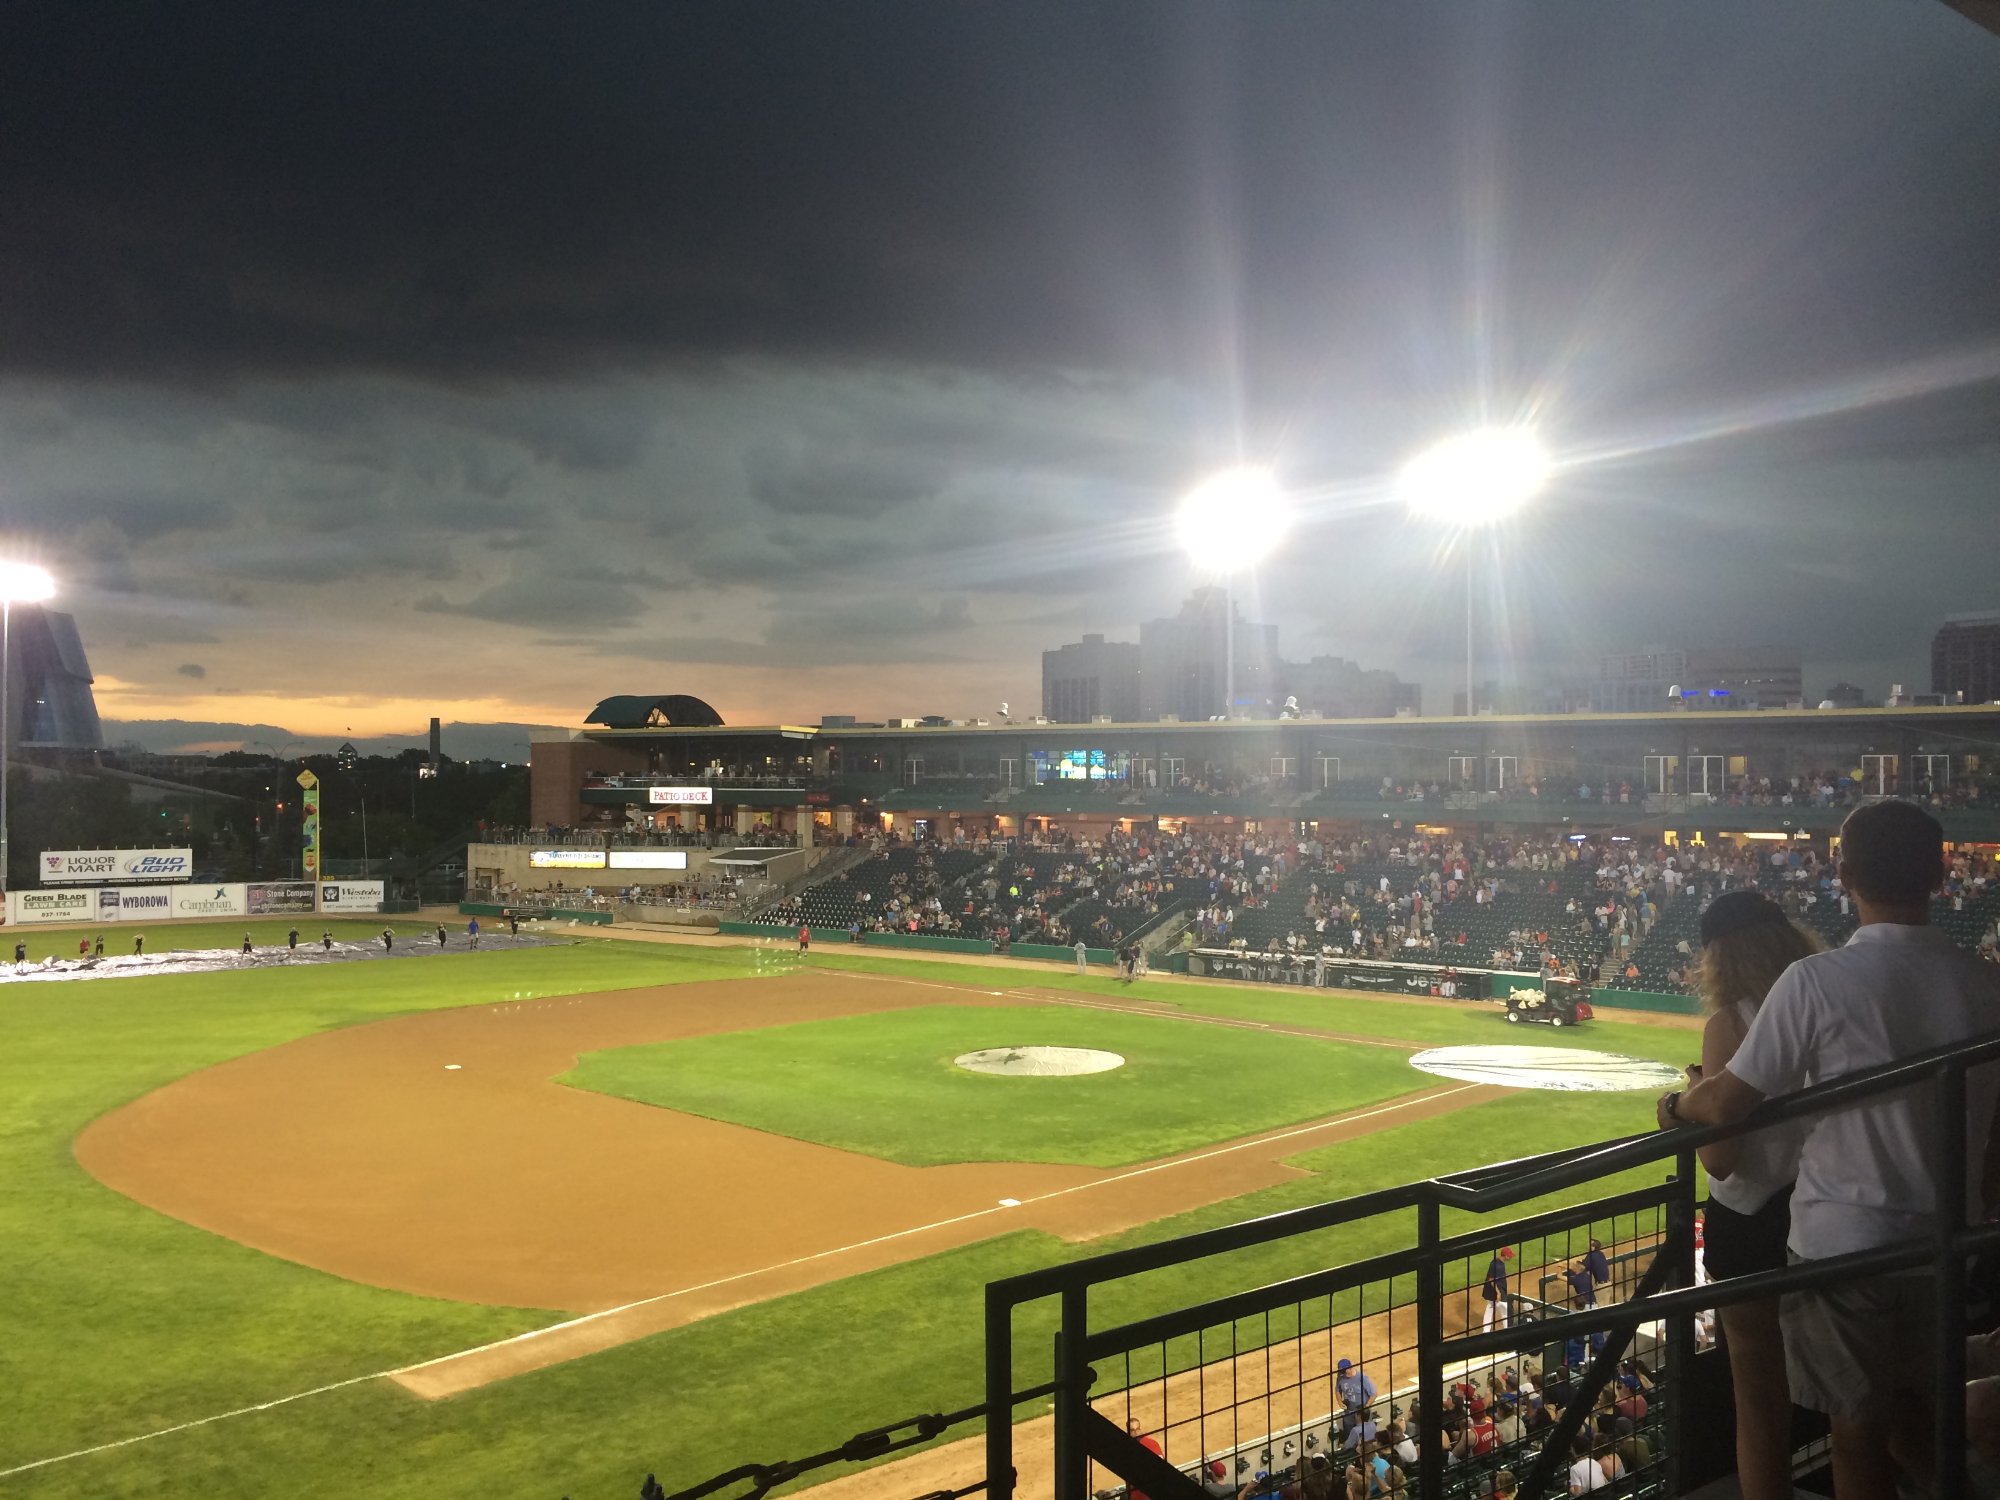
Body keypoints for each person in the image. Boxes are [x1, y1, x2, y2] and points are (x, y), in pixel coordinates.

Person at [1663, 800, 2000, 1500]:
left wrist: (1678, 1104)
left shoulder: (1817, 983)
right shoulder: (1987, 984)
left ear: (1843, 873)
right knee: (1921, 1416)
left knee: (1857, 1433)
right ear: (1941, 873)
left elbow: (1725, 1111)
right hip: (1946, 1242)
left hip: (1843, 1247)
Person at [1678, 888, 1821, 1500]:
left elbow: (1722, 1156)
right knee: (1851, 1389)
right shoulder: (1824, 1000)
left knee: (1759, 1399)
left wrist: (1688, 1102)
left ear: (1718, 955)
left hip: (1749, 1224)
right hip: (1822, 1208)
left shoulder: (1729, 1022)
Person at [1335, 1358, 1377, 1442]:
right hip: (1349, 1413)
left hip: (1362, 1415)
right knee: (1349, 1435)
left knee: (1365, 1437)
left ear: (1349, 1369)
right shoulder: (1340, 1377)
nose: (1341, 1373)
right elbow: (1337, 1390)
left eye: (1343, 1371)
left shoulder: (1362, 1378)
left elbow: (1374, 1394)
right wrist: (1339, 1401)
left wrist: (1365, 1407)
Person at [1482, 1246, 1513, 1331]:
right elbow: (1491, 1279)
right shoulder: (1497, 1265)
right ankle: (1507, 1329)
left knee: (1490, 1308)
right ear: (1505, 1256)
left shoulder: (1497, 1261)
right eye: (1509, 1255)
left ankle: (1486, 1331)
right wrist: (1498, 1292)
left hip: (1492, 1290)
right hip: (1497, 1290)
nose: (1510, 1257)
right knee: (1505, 1309)